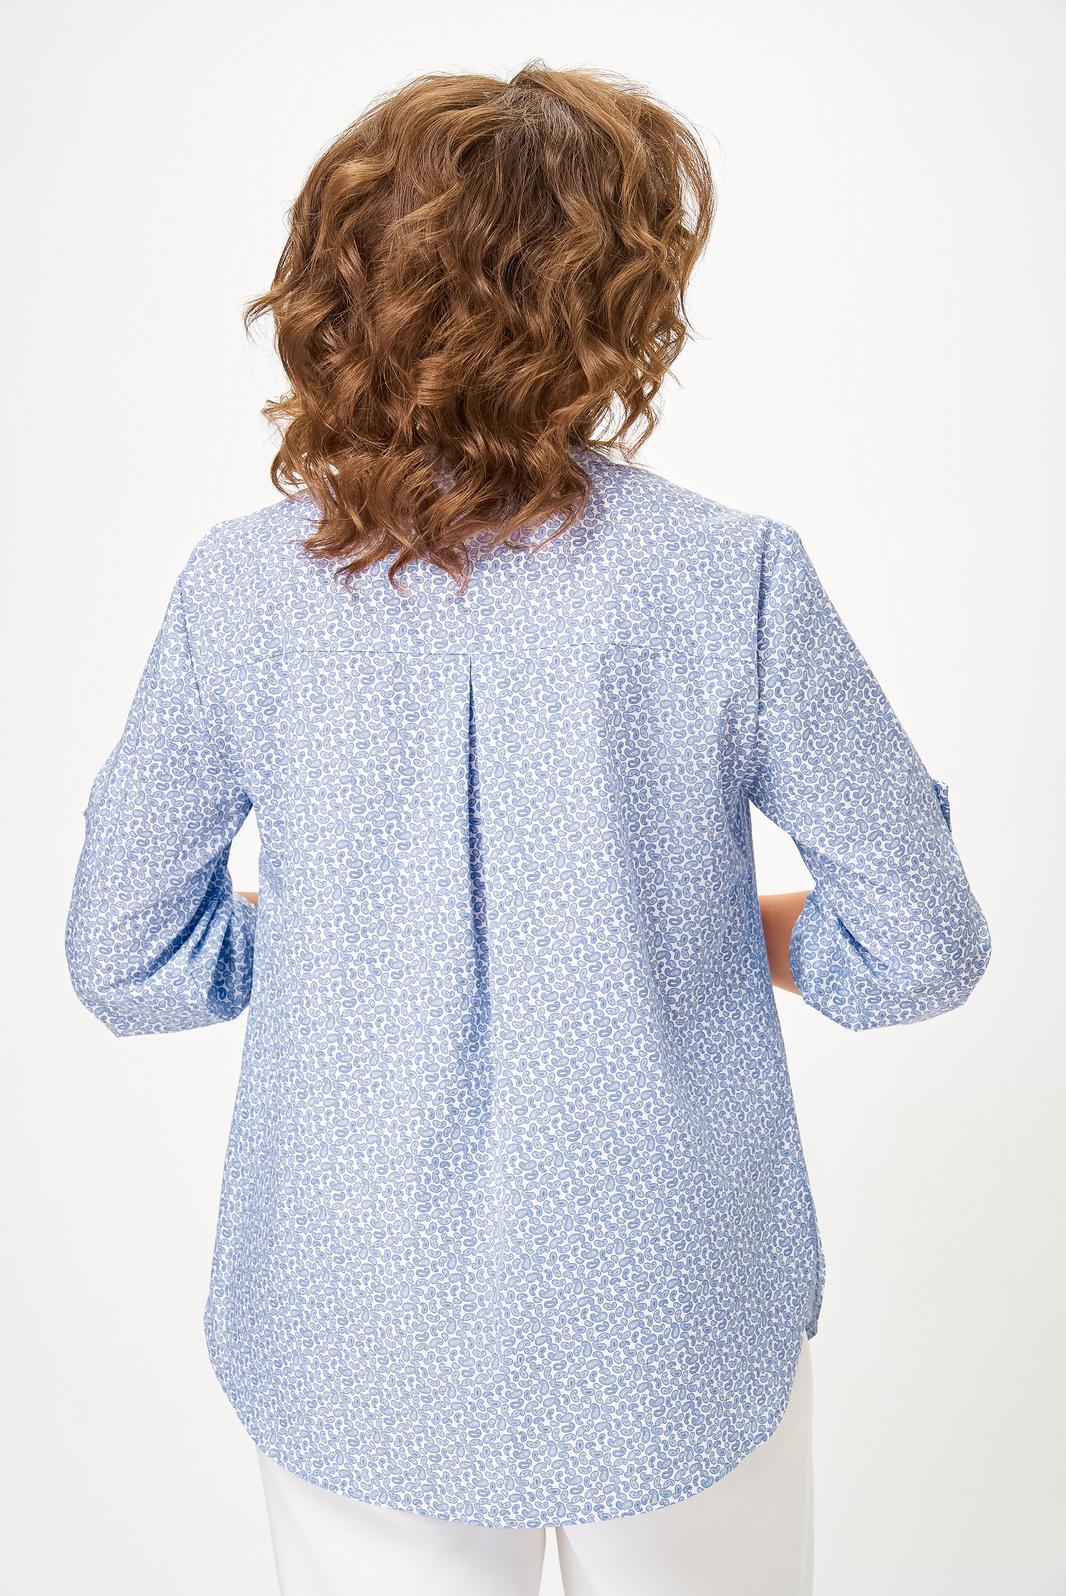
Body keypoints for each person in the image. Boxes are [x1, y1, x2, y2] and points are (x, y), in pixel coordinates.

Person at [64, 61, 992, 1596]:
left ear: (334, 286)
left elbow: (126, 960)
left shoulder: (240, 592)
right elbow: (919, 951)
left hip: (356, 1320)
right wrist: (720, 934)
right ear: (620, 306)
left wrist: (356, 934)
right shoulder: (731, 579)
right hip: (669, 1311)